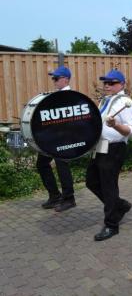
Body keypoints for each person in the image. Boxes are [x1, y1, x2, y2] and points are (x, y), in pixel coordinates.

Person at [86, 69, 132, 241]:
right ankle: (120, 205)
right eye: (105, 83)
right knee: (91, 181)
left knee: (109, 186)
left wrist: (115, 125)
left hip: (114, 148)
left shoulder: (125, 102)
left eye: (112, 83)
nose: (107, 86)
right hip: (100, 147)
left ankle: (111, 225)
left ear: (122, 84)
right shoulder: (106, 101)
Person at [38, 66, 76, 212]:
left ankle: (69, 198)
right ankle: (54, 196)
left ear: (65, 79)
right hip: (53, 137)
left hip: (64, 138)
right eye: (53, 78)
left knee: (62, 165)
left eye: (56, 78)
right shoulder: (56, 95)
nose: (53, 81)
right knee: (42, 163)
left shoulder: (70, 96)